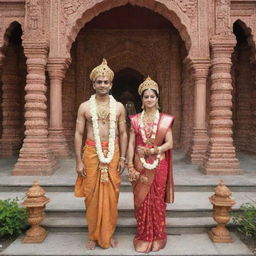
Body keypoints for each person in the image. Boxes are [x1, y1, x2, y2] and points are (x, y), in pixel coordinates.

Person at [74, 59, 128, 250]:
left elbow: (123, 133)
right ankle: (92, 234)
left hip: (112, 154)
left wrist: (123, 158)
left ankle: (108, 234)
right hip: (90, 153)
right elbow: (79, 133)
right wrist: (79, 161)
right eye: (99, 82)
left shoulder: (119, 107)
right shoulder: (84, 107)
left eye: (106, 82)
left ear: (111, 84)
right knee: (91, 196)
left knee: (112, 196)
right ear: (93, 84)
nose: (102, 85)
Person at [127, 76, 175, 253]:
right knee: (141, 201)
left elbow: (169, 143)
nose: (149, 99)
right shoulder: (135, 119)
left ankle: (158, 236)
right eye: (146, 96)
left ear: (157, 98)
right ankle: (144, 236)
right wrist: (130, 166)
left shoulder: (164, 120)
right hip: (140, 165)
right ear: (142, 100)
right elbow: (131, 144)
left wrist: (153, 151)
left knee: (156, 201)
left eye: (152, 96)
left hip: (159, 164)